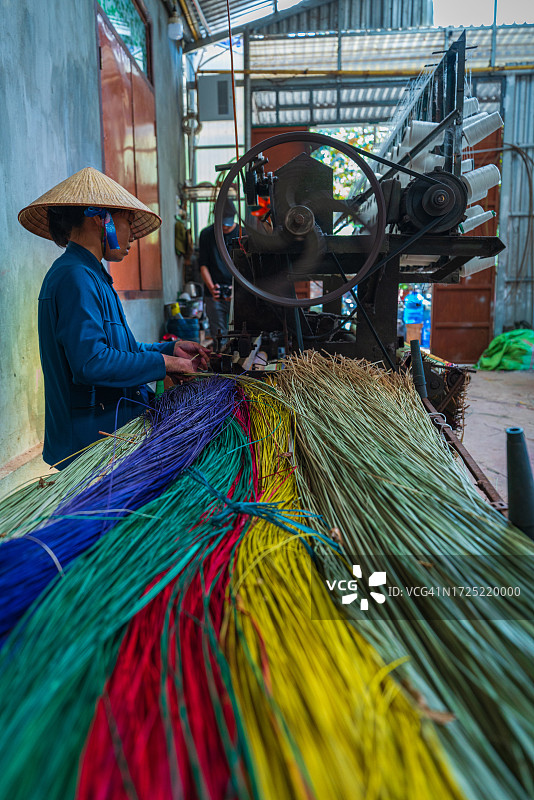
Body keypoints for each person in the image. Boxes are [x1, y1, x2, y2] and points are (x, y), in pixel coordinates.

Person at [18, 167, 210, 469]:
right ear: (100, 218)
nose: (132, 234)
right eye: (129, 221)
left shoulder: (93, 276)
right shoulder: (74, 277)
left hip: (110, 429)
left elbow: (123, 351)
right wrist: (164, 365)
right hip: (88, 444)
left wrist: (169, 351)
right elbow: (92, 363)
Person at [199, 199, 237, 344]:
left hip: (238, 293)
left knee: (240, 335)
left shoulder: (244, 234)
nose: (224, 227)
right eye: (221, 223)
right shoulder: (207, 234)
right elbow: (203, 265)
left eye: (227, 223)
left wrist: (237, 289)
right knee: (219, 337)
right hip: (213, 295)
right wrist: (212, 288)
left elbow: (250, 269)